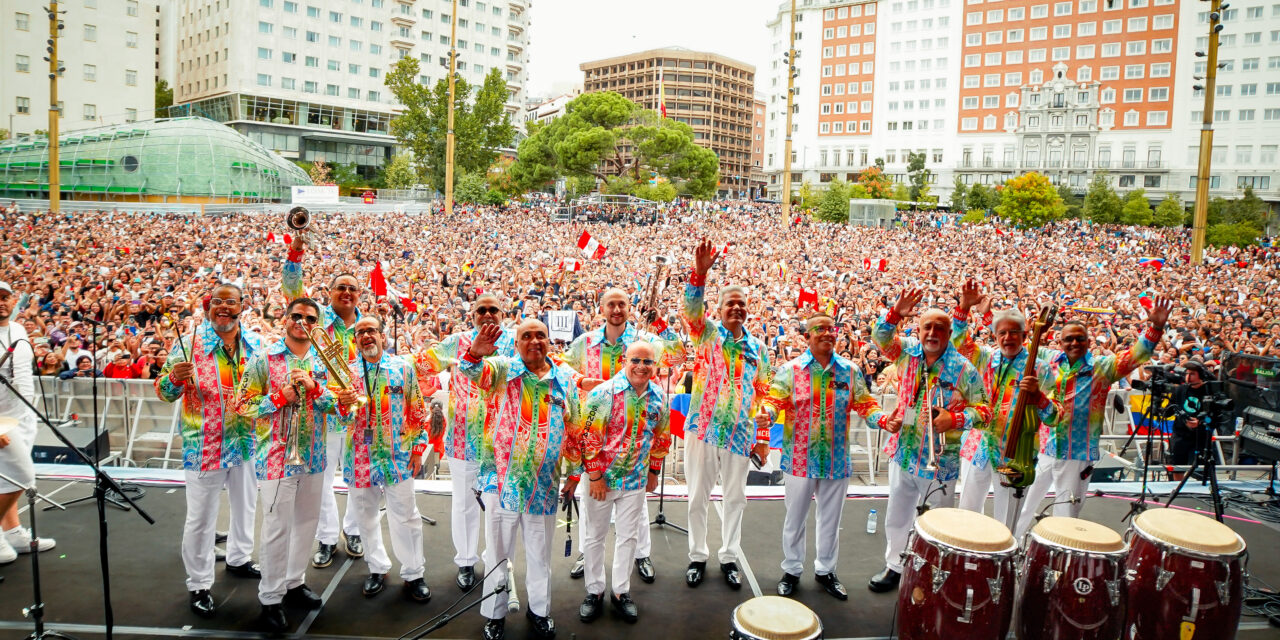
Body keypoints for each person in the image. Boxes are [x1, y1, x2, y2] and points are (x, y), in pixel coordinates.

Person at [235, 297, 355, 633]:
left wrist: (316, 389)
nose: (303, 322)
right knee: (277, 528)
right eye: (297, 316)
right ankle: (270, 597)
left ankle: (294, 581)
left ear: (318, 325)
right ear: (285, 319)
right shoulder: (264, 358)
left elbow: (342, 407)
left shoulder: (326, 360)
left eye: (310, 318)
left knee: (306, 524)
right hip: (276, 457)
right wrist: (278, 398)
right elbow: (242, 405)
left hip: (314, 456)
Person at [461, 321, 583, 640]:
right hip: (500, 482)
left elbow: (575, 429)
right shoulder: (502, 371)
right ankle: (495, 614)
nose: (534, 341)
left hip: (543, 486)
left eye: (540, 335)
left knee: (540, 554)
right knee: (498, 553)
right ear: (516, 344)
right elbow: (471, 370)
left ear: (549, 341)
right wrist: (475, 353)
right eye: (526, 336)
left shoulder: (564, 381)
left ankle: (539, 611)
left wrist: (574, 473)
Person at [1012, 296, 1172, 539]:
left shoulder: (1102, 368)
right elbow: (1020, 351)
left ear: (1088, 342)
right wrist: (1036, 330)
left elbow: (1137, 355)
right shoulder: (1049, 359)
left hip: (1077, 453)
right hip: (1045, 448)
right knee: (1024, 506)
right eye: (1069, 339)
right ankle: (1014, 546)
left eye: (1080, 338)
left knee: (1066, 515)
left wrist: (1156, 327)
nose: (1074, 343)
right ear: (1060, 342)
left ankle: (1062, 555)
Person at [866, 288, 991, 594]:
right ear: (918, 330)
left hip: (941, 461)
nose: (932, 333)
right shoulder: (906, 353)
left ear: (950, 333)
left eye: (939, 328)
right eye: (927, 327)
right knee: (897, 515)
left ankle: (933, 571)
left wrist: (955, 419)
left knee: (938, 521)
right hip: (904, 451)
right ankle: (895, 565)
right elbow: (880, 338)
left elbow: (986, 411)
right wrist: (894, 313)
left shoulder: (965, 369)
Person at [154, 283, 265, 617]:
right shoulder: (188, 345)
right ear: (208, 307)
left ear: (242, 306)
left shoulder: (256, 344)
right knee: (201, 519)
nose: (224, 308)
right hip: (205, 445)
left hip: (247, 442)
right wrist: (174, 378)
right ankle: (199, 583)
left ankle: (239, 558)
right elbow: (164, 392)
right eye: (218, 301)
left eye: (231, 302)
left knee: (246, 506)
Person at [560, 287, 685, 584]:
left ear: (630, 308)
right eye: (611, 304)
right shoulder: (585, 342)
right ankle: (586, 553)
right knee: (591, 500)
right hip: (595, 436)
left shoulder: (644, 341)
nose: (616, 310)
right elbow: (560, 366)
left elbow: (678, 355)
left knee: (635, 505)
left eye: (622, 304)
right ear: (601, 308)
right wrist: (581, 379)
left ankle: (641, 554)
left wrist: (660, 324)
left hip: (634, 437)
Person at [761, 313, 889, 600]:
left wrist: (882, 419)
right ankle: (792, 570)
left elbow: (866, 404)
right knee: (795, 519)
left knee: (831, 520)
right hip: (799, 458)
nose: (828, 333)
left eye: (832, 329)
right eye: (820, 329)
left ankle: (826, 571)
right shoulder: (790, 370)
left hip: (836, 459)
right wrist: (766, 414)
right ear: (807, 337)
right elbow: (773, 400)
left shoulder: (850, 371)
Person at [410, 292, 516, 592]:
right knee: (464, 504)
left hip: (503, 442)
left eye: (493, 309)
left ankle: (496, 563)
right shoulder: (456, 342)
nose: (487, 314)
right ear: (472, 315)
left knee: (500, 508)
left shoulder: (515, 342)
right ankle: (466, 562)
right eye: (481, 310)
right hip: (462, 439)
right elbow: (421, 364)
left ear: (502, 314)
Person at [682, 239, 772, 590]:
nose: (736, 308)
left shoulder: (759, 349)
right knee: (697, 498)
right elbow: (691, 310)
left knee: (736, 498)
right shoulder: (705, 335)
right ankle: (697, 556)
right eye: (730, 304)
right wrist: (699, 274)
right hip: (702, 430)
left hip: (740, 435)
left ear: (748, 310)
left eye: (741, 304)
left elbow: (764, 394)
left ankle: (729, 556)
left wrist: (762, 436)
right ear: (718, 310)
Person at [949, 281, 1061, 531]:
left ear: (1024, 336)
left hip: (1016, 454)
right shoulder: (985, 358)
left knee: (1007, 523)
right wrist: (963, 309)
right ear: (995, 335)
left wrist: (1038, 397)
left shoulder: (1040, 368)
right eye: (1002, 333)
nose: (1008, 338)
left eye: (1014, 332)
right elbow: (958, 343)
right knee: (966, 515)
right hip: (978, 446)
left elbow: (1054, 416)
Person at [339, 316, 435, 602]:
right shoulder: (345, 372)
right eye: (360, 332)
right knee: (365, 516)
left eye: (371, 330)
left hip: (398, 456)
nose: (366, 335)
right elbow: (340, 418)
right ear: (355, 340)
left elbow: (417, 411)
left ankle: (414, 573)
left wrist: (417, 449)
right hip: (359, 456)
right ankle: (376, 567)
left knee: (406, 516)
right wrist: (342, 404)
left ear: (383, 336)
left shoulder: (402, 368)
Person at [576, 342, 671, 624]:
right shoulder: (603, 393)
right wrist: (595, 477)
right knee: (595, 536)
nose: (641, 366)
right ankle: (594, 591)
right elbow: (587, 439)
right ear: (624, 361)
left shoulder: (659, 396)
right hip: (602, 480)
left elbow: (661, 436)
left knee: (628, 537)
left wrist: (654, 471)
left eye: (647, 362)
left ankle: (620, 592)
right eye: (636, 360)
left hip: (635, 479)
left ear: (655, 366)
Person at [284, 234, 364, 567]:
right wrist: (295, 253)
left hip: (359, 414)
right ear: (329, 293)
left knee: (359, 477)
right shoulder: (315, 319)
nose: (346, 292)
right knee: (322, 480)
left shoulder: (368, 327)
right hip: (323, 413)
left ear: (359, 294)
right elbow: (292, 292)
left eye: (352, 288)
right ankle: (327, 537)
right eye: (340, 287)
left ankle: (354, 530)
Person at [0, 281, 56, 565]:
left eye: (5, 297)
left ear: (13, 302)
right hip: (1, 420)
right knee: (23, 476)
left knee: (5, 478)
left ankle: (12, 531)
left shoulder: (19, 330)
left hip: (23, 414)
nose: (1, 302)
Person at [1168, 361, 1211, 481]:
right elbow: (1170, 410)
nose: (1188, 377)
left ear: (1201, 375)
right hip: (1180, 434)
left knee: (1201, 469)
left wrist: (1200, 422)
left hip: (1201, 435)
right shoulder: (1180, 390)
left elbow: (1214, 416)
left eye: (1192, 374)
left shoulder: (1209, 390)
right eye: (1187, 373)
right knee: (1177, 466)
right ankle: (1177, 487)